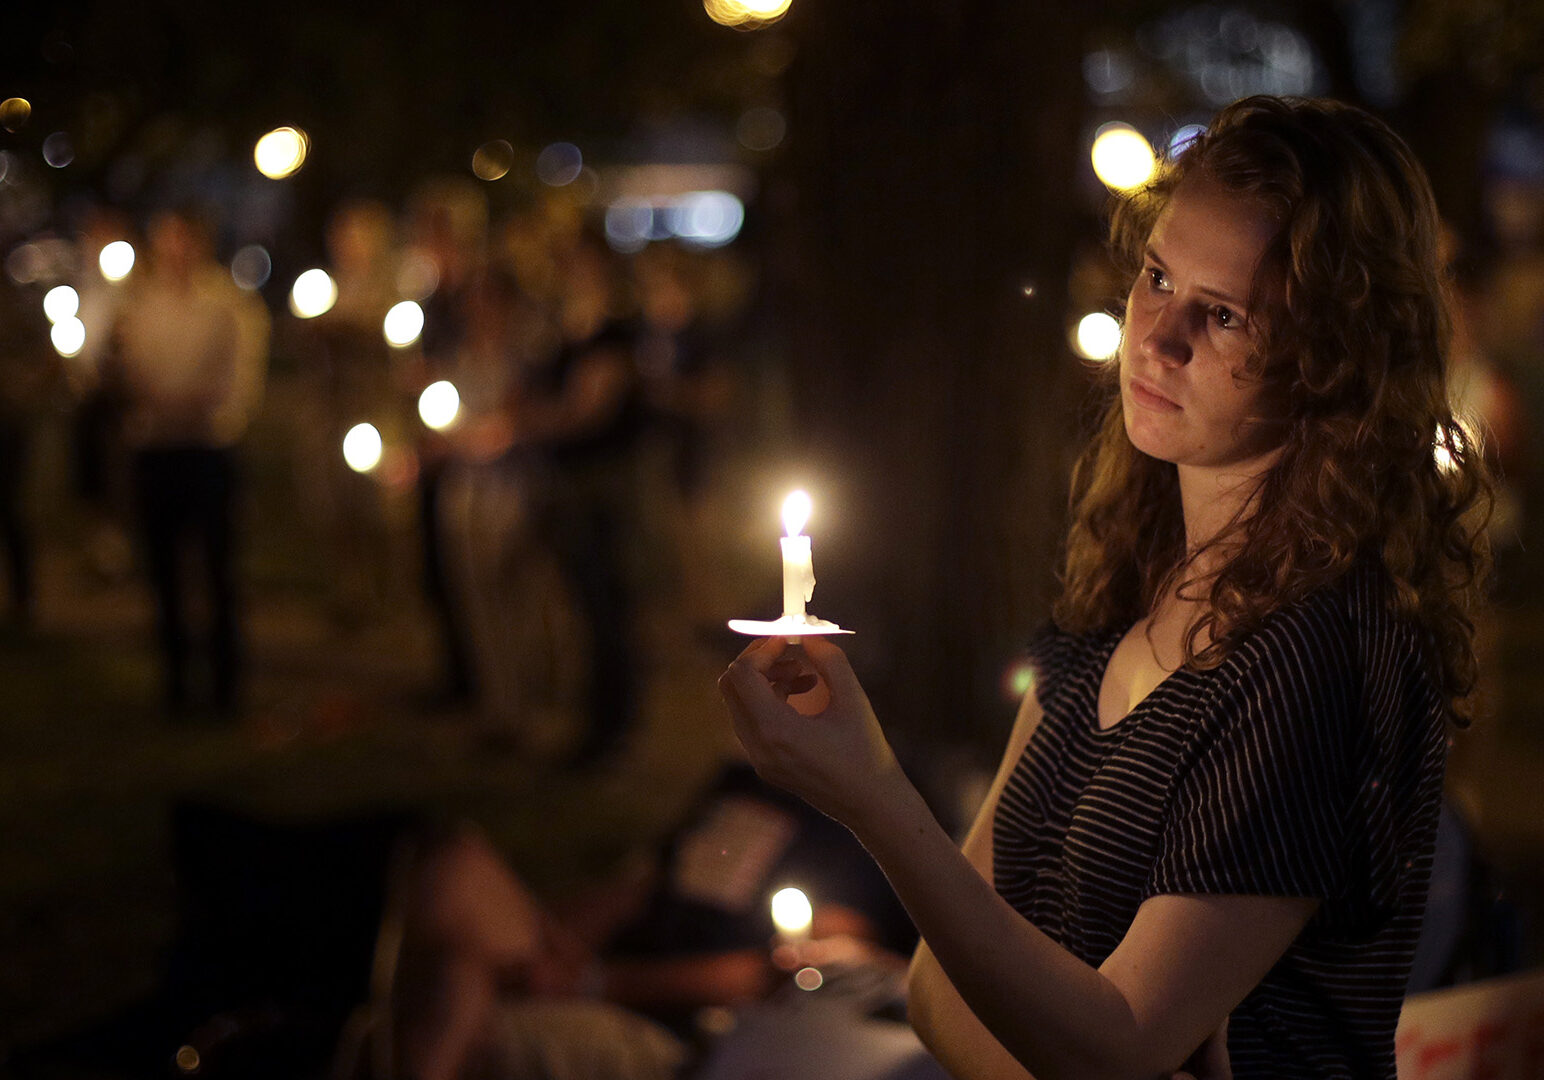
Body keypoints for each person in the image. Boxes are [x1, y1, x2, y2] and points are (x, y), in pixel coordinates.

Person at [719, 95, 1492, 1079]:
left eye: (1220, 313)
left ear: (1333, 359)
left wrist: (874, 799)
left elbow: (1111, 1040)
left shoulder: (1316, 659)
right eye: (1156, 276)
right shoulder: (1125, 582)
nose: (1156, 336)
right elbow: (931, 989)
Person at [385, 757, 915, 1080]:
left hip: (674, 1024)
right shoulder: (743, 783)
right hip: (600, 964)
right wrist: (559, 947)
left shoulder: (846, 820)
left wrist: (597, 984)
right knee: (455, 861)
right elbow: (646, 888)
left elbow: (805, 967)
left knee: (455, 980)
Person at [111, 205, 270, 718]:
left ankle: (226, 686)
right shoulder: (139, 304)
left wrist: (210, 406)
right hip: (156, 450)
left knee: (219, 571)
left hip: (208, 450)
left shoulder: (227, 303)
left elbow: (241, 377)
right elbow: (128, 367)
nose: (176, 250)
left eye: (185, 239)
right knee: (162, 573)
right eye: (167, 239)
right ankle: (176, 684)